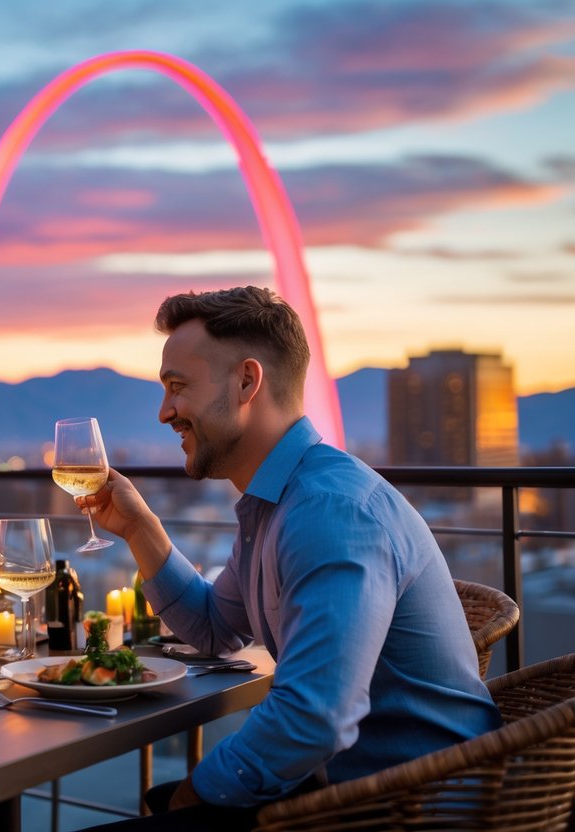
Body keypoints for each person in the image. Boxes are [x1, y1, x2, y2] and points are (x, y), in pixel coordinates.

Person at [81, 287, 501, 831]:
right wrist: (140, 528)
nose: (165, 412)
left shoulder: (328, 513)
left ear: (247, 382)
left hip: (414, 809)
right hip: (358, 786)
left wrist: (198, 790)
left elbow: (313, 718)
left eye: (178, 388)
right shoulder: (278, 503)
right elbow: (214, 628)